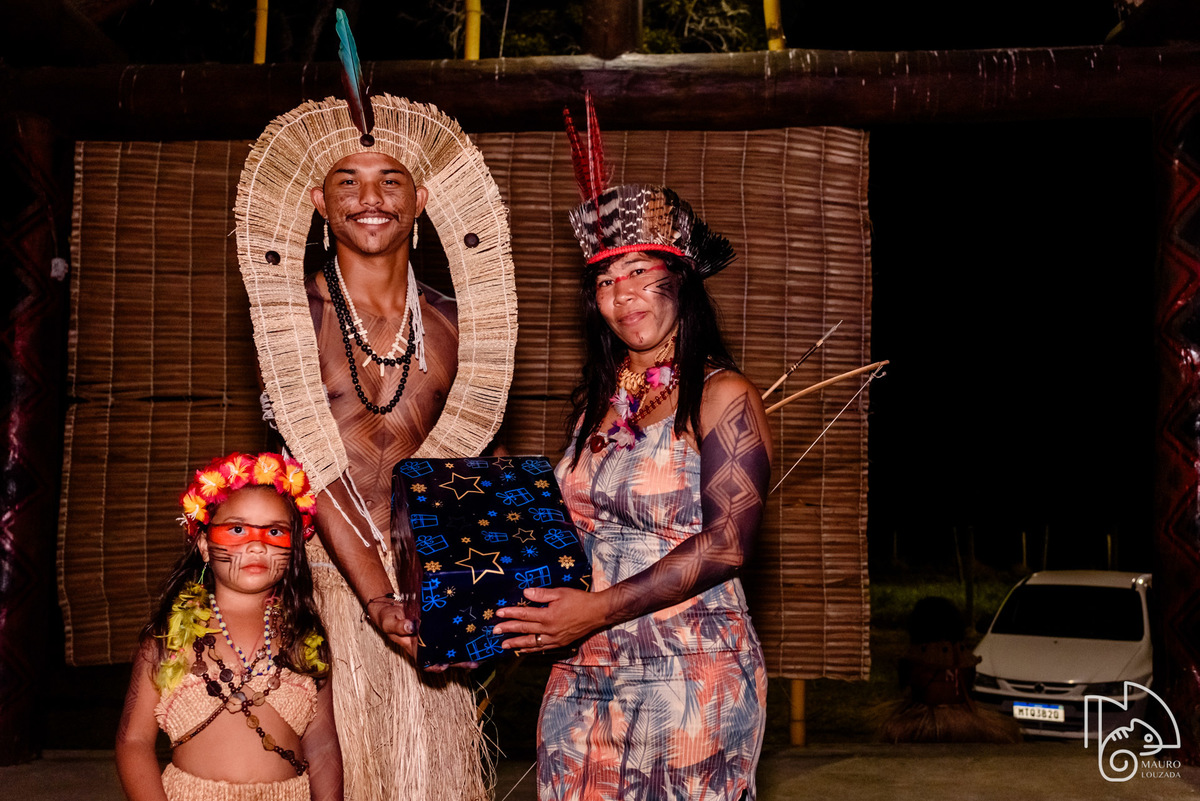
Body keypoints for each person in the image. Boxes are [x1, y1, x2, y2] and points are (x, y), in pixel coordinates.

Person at [235, 91, 516, 801]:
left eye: (389, 180)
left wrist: (476, 582)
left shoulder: (456, 328)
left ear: (421, 199)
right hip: (321, 591)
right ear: (317, 202)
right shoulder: (292, 318)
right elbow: (311, 461)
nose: (371, 198)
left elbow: (475, 462)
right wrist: (376, 599)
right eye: (348, 182)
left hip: (426, 597)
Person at [493, 101, 772, 800]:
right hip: (586, 667)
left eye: (643, 271)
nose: (624, 295)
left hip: (690, 676)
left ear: (681, 279)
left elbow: (730, 542)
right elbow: (573, 527)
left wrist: (595, 608)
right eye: (607, 279)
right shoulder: (599, 401)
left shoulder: (723, 396)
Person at [115, 452, 341, 801]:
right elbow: (134, 741)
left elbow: (323, 743)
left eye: (275, 531)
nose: (257, 543)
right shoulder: (168, 639)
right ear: (204, 544)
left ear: (294, 547)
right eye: (237, 529)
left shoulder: (303, 637)